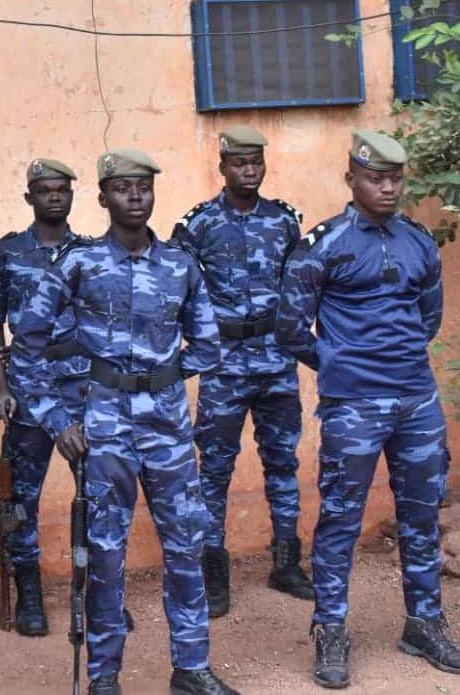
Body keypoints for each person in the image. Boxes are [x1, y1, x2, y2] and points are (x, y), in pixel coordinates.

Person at [16, 149, 239, 695]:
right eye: (122, 188)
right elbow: (26, 345)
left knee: (186, 545)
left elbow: (208, 343)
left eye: (143, 187)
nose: (135, 196)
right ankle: (104, 676)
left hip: (166, 427)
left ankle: (190, 668)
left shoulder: (181, 266)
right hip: (105, 426)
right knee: (106, 557)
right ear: (103, 198)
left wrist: (165, 375)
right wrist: (55, 419)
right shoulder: (79, 263)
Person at [276, 131, 460, 689]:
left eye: (395, 178)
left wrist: (394, 363)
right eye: (375, 177)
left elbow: (428, 319)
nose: (387, 187)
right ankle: (331, 630)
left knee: (421, 514)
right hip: (354, 406)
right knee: (341, 518)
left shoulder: (418, 241)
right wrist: (340, 365)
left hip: (417, 401)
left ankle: (424, 624)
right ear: (352, 180)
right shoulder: (325, 243)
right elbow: (291, 329)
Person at [171, 126, 312, 617]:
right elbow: (177, 292)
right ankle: (214, 573)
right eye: (239, 163)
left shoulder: (285, 222)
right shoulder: (199, 225)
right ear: (223, 167)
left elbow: (303, 287)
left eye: (256, 162)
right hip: (225, 364)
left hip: (276, 360)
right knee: (214, 469)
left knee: (282, 463)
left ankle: (287, 563)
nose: (249, 171)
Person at [0, 158, 89, 636]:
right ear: (30, 198)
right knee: (22, 499)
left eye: (63, 190)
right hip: (27, 386)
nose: (55, 197)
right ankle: (29, 594)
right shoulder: (5, 255)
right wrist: (1, 388)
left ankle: (97, 593)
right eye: (46, 190)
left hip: (81, 384)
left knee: (97, 493)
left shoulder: (90, 253)